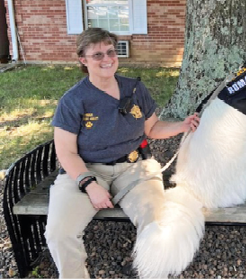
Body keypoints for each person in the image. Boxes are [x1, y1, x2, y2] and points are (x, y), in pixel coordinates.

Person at [44, 28, 204, 279]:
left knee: (155, 223)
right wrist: (89, 184)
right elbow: (66, 152)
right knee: (58, 233)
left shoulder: (135, 89)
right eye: (97, 55)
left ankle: (149, 272)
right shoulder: (73, 100)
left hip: (133, 167)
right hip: (85, 169)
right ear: (83, 60)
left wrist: (182, 126)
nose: (107, 59)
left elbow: (152, 128)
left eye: (110, 52)